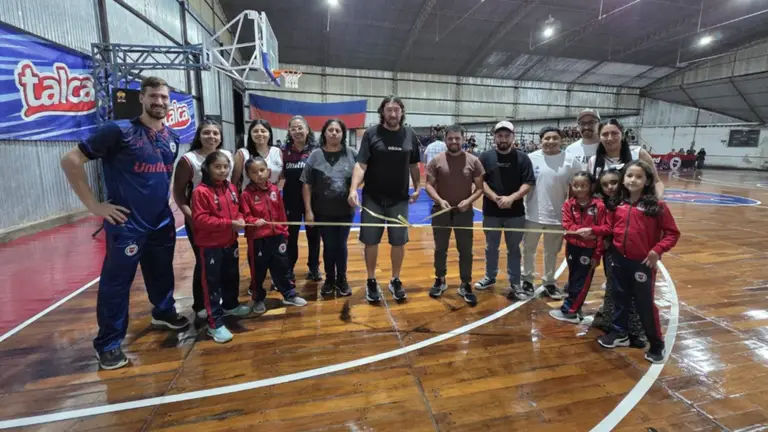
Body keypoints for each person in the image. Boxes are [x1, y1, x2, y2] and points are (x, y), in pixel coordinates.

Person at [60, 76, 189, 370]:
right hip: (127, 224)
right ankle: (108, 343)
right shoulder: (118, 131)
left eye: (164, 97)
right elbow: (70, 160)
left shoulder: (172, 137)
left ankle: (163, 311)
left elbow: (160, 177)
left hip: (161, 220)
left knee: (161, 272)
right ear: (141, 98)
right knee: (116, 284)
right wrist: (95, 206)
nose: (159, 102)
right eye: (153, 96)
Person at [592, 160, 680, 364]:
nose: (633, 180)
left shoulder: (657, 206)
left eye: (639, 177)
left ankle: (656, 344)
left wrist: (657, 250)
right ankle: (619, 333)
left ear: (647, 181)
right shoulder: (617, 205)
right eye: (629, 175)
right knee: (619, 297)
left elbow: (672, 233)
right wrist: (591, 231)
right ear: (623, 179)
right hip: (618, 260)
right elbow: (609, 228)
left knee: (645, 304)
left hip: (642, 264)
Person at [348, 96, 421, 302]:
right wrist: (353, 189)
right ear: (382, 112)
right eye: (389, 109)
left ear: (402, 112)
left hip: (399, 200)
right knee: (371, 242)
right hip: (373, 199)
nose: (393, 113)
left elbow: (414, 164)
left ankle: (395, 279)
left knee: (398, 242)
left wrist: (418, 188)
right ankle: (371, 280)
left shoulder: (409, 134)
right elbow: (361, 164)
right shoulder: (371, 134)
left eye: (396, 109)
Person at [172, 119, 234, 320]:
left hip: (224, 220)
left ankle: (226, 302)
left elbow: (230, 187)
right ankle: (200, 304)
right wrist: (192, 217)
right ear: (199, 135)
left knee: (225, 262)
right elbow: (178, 192)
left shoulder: (227, 156)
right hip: (200, 220)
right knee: (204, 262)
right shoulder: (189, 160)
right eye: (207, 133)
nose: (211, 137)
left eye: (215, 133)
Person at [190, 151, 250, 343]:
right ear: (207, 168)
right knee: (212, 285)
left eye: (225, 167)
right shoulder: (200, 192)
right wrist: (230, 223)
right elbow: (200, 220)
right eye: (217, 167)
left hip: (230, 242)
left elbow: (237, 211)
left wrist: (240, 218)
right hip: (210, 246)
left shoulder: (231, 188)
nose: (222, 170)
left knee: (231, 276)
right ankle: (214, 323)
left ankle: (230, 305)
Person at [425, 124, 484, 306]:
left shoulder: (473, 161)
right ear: (445, 139)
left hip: (464, 213)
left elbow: (479, 188)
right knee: (440, 248)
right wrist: (439, 199)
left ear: (463, 139)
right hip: (441, 211)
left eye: (457, 138)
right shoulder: (436, 161)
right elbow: (428, 185)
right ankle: (440, 279)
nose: (454, 141)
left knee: (465, 250)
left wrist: (468, 201)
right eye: (450, 138)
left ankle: (465, 283)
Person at [475, 121, 535, 300]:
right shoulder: (485, 157)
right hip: (491, 212)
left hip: (515, 213)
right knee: (491, 247)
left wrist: (512, 198)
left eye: (507, 135)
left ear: (513, 137)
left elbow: (528, 183)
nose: (503, 139)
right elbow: (480, 182)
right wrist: (495, 198)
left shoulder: (523, 158)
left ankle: (515, 283)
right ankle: (490, 277)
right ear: (495, 137)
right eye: (499, 135)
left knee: (514, 249)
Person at [240, 158, 308, 312]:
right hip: (258, 239)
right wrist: (254, 221)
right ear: (248, 175)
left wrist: (284, 230)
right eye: (254, 172)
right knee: (258, 271)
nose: (259, 174)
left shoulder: (274, 191)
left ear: (268, 171)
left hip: (277, 236)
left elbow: (281, 212)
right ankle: (258, 299)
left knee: (282, 267)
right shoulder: (246, 194)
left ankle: (289, 295)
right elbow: (245, 216)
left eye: (262, 170)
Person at [521, 126, 580, 299]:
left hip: (557, 216)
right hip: (532, 214)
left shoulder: (571, 161)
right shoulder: (531, 158)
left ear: (561, 140)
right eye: (547, 138)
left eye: (555, 138)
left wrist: (572, 213)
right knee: (528, 249)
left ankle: (549, 282)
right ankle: (527, 280)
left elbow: (578, 187)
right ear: (541, 140)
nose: (551, 141)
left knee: (552, 252)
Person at [301, 119, 357, 298]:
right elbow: (307, 184)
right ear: (324, 133)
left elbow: (363, 174)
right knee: (328, 245)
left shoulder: (352, 154)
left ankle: (342, 279)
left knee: (341, 244)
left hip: (345, 211)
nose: (334, 133)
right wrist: (308, 211)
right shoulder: (315, 155)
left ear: (343, 134)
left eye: (337, 130)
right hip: (322, 211)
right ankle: (329, 279)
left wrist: (355, 190)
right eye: (330, 130)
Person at [592, 169, 645, 345]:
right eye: (605, 184)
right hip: (611, 253)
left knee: (633, 291)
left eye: (613, 182)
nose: (610, 187)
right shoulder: (603, 204)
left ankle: (635, 330)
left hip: (633, 254)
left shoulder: (634, 202)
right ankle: (613, 324)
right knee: (613, 287)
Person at [550, 171, 605, 324]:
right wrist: (582, 232)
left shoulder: (599, 206)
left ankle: (570, 312)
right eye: (576, 185)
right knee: (574, 278)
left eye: (583, 185)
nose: (579, 189)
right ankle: (576, 306)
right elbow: (567, 224)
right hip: (572, 247)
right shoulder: (569, 204)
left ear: (591, 186)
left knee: (582, 280)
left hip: (589, 250)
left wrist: (597, 254)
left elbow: (602, 231)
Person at [283, 115, 322, 282]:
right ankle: (289, 268)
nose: (297, 131)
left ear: (307, 130)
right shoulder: (283, 151)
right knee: (290, 236)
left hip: (313, 201)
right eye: (293, 128)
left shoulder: (317, 150)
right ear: (289, 131)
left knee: (314, 236)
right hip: (290, 200)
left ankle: (314, 268)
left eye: (300, 128)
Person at [588, 118, 664, 197]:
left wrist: (659, 199)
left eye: (614, 133)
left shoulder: (639, 154)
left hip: (636, 204)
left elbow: (657, 182)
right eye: (605, 134)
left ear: (623, 135)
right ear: (599, 137)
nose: (610, 138)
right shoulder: (593, 161)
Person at [232, 119, 282, 190]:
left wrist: (277, 192)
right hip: (248, 196)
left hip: (273, 196)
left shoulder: (277, 151)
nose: (260, 134)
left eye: (263, 131)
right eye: (255, 131)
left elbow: (282, 177)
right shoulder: (242, 153)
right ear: (250, 134)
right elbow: (234, 182)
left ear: (269, 134)